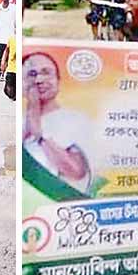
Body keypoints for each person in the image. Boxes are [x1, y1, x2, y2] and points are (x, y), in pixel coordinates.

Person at [23, 52, 93, 194]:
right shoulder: (20, 120)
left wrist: (39, 134)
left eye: (46, 72)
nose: (38, 80)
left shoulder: (75, 119)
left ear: (58, 80)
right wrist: (32, 112)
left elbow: (76, 172)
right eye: (32, 74)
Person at [2, 33, 16, 101]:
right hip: (11, 69)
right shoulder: (11, 39)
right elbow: (6, 51)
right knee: (7, 89)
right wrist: (3, 61)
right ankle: (13, 96)